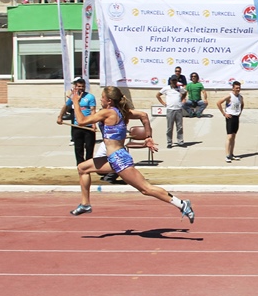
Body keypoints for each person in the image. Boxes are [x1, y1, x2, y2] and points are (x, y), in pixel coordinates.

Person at [68, 85, 194, 223]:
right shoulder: (122, 112)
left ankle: (182, 204)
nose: (100, 100)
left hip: (119, 159)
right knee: (82, 168)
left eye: (102, 97)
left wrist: (75, 101)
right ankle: (85, 204)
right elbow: (143, 116)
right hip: (112, 158)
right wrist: (148, 136)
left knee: (146, 189)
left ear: (109, 100)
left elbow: (81, 121)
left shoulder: (108, 112)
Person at [58, 78, 96, 165]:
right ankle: (80, 165)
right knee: (78, 148)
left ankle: (89, 165)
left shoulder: (90, 97)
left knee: (89, 147)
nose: (81, 88)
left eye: (83, 86)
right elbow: (65, 106)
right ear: (75, 87)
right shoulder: (73, 97)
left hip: (88, 125)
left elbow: (93, 110)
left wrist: (94, 124)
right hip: (77, 126)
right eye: (79, 86)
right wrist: (60, 117)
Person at [217, 81, 244, 162]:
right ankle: (227, 155)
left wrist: (240, 112)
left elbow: (242, 104)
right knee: (229, 136)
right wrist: (224, 113)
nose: (238, 89)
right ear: (233, 88)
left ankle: (232, 154)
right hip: (230, 117)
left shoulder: (240, 97)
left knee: (234, 136)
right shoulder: (229, 96)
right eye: (236, 88)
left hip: (236, 117)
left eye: (239, 88)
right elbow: (218, 103)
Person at [157, 75, 186, 148]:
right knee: (170, 127)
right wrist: (163, 103)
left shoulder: (180, 88)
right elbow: (158, 95)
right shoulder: (166, 88)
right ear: (170, 81)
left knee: (179, 127)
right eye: (173, 80)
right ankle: (169, 142)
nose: (174, 82)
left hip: (178, 109)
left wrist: (182, 99)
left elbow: (185, 93)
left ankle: (180, 141)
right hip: (170, 110)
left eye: (175, 80)